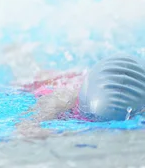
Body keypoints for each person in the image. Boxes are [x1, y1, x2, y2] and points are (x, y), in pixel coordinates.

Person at [17, 53, 145, 136]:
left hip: (88, 79)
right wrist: (36, 129)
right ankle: (16, 54)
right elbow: (28, 124)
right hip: (63, 81)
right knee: (35, 77)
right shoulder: (65, 97)